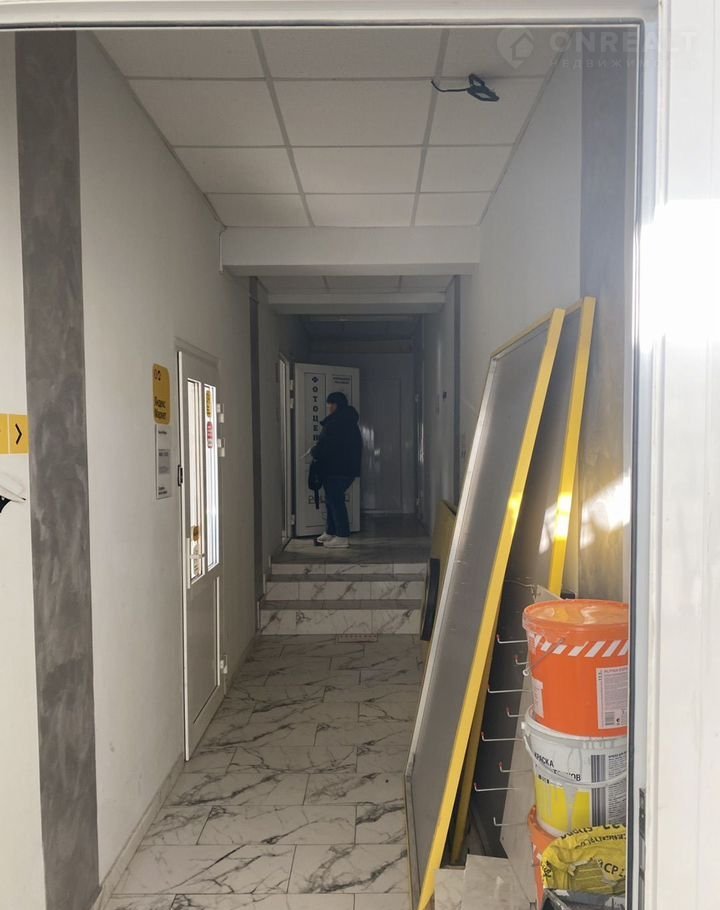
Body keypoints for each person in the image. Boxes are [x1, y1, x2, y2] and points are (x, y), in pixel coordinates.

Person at [310, 391, 362, 548]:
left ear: (337, 405)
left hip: (337, 468)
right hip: (344, 468)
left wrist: (314, 451)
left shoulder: (337, 423)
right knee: (332, 500)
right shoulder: (348, 421)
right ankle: (331, 532)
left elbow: (328, 445)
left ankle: (342, 535)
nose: (329, 407)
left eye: (331, 403)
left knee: (335, 500)